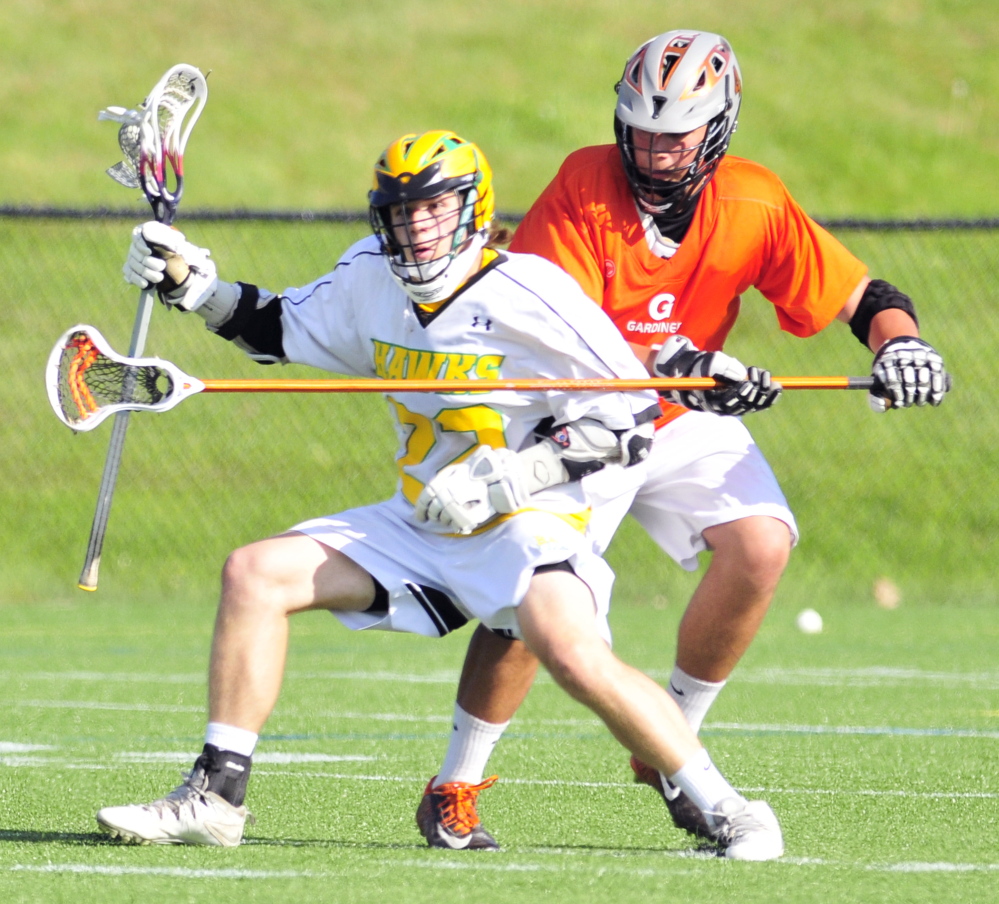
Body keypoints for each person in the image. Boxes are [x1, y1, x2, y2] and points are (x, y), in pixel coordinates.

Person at [93, 129, 785, 860]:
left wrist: (509, 479)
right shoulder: (369, 276)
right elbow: (280, 329)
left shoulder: (531, 291)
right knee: (254, 573)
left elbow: (633, 419)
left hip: (526, 520)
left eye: (432, 209)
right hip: (420, 524)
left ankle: (730, 810)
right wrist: (193, 287)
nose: (414, 230)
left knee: (572, 653)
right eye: (398, 214)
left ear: (473, 210)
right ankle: (216, 797)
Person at [415, 30, 952, 849]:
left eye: (676, 134)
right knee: (530, 600)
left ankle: (670, 745)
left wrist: (898, 343)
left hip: (678, 413)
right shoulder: (581, 186)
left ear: (718, 127)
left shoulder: (753, 200)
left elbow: (862, 293)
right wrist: (682, 362)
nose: (655, 150)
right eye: (641, 130)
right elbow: (556, 343)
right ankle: (454, 785)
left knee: (762, 543)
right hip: (575, 421)